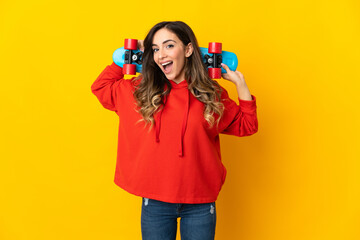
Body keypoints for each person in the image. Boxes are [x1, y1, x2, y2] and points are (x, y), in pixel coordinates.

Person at [91, 21, 258, 240]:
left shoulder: (210, 93)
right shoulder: (140, 90)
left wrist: (241, 85)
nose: (161, 54)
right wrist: (127, 54)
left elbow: (247, 125)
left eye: (169, 46)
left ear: (189, 50)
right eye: (155, 49)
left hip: (199, 201)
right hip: (155, 201)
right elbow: (101, 87)